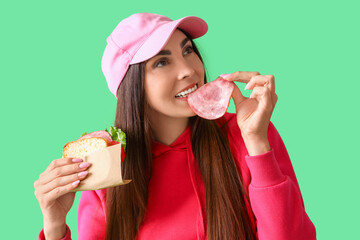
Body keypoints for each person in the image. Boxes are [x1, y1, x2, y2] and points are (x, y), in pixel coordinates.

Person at [34, 13, 316, 240]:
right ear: (132, 88)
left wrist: (256, 143)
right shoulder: (107, 169)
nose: (188, 70)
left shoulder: (247, 134)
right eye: (162, 62)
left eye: (188, 50)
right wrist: (55, 227)